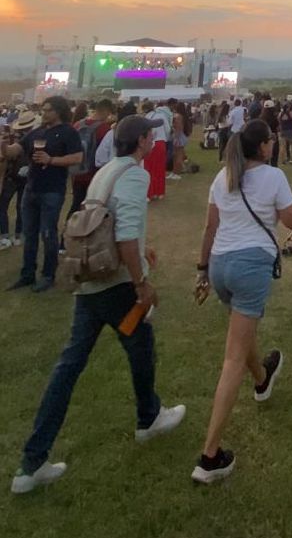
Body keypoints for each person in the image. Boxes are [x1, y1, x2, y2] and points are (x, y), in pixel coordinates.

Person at [10, 113, 185, 494]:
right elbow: (122, 233)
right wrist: (141, 284)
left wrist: (143, 248)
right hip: (116, 284)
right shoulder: (136, 175)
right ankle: (148, 417)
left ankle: (31, 462)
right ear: (140, 142)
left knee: (70, 366)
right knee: (140, 345)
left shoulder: (108, 170)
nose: (154, 141)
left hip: (90, 281)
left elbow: (104, 221)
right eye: (150, 136)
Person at [192, 119, 292, 485]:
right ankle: (209, 456)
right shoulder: (273, 177)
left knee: (242, 330)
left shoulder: (222, 178)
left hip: (220, 264)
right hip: (250, 264)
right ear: (265, 147)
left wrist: (202, 269)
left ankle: (262, 378)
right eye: (270, 141)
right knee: (232, 357)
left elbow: (210, 228)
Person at [7, 96, 83, 293]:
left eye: (48, 109)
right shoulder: (36, 132)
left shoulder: (68, 132)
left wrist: (51, 160)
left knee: (48, 233)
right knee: (29, 233)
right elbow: (13, 151)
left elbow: (77, 157)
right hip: (31, 188)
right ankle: (27, 274)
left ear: (58, 111)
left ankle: (48, 275)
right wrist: (4, 144)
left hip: (52, 190)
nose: (44, 113)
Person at [0, 109, 39, 249]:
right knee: (18, 207)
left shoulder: (15, 139)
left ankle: (6, 236)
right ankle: (16, 235)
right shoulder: (35, 139)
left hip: (12, 177)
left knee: (8, 206)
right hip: (20, 177)